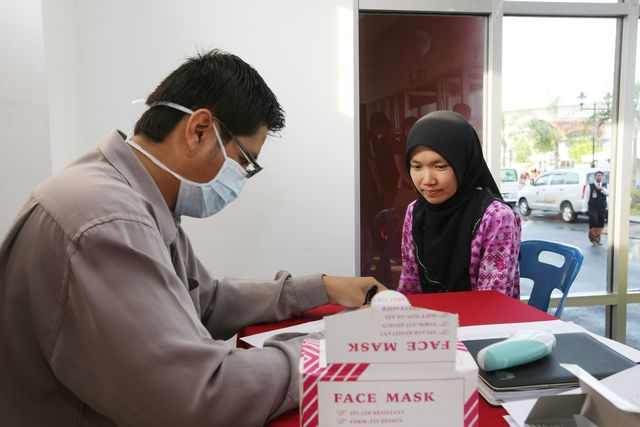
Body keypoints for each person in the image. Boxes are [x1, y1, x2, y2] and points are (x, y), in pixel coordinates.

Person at [0, 50, 383, 427]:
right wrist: (337, 345)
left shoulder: (137, 197)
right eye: (244, 162)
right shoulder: (107, 219)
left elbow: (206, 301)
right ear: (198, 130)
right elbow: (203, 398)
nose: (240, 179)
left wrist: (321, 288)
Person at [397, 111, 521, 297]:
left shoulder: (495, 217)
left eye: (440, 166)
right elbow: (410, 286)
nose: (427, 180)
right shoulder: (416, 211)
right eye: (417, 167)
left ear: (464, 163)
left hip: (482, 315)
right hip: (428, 315)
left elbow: (493, 299)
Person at [583, 170, 609, 246]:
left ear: (602, 177)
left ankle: (598, 239)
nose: (599, 177)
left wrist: (602, 189)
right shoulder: (589, 186)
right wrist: (584, 208)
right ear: (595, 177)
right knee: (593, 222)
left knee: (601, 224)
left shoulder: (606, 185)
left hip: (602, 207)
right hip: (592, 207)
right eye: (598, 175)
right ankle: (593, 239)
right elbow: (586, 198)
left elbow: (609, 193)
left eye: (601, 176)